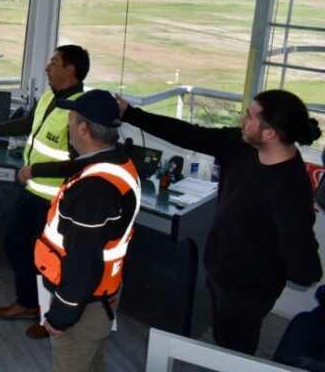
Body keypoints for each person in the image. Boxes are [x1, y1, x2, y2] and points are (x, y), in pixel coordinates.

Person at [118, 89, 322, 355]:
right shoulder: (242, 146)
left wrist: (263, 264)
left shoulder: (290, 189)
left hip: (246, 293)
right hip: (219, 272)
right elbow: (189, 134)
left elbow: (305, 270)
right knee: (223, 339)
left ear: (270, 132)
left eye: (249, 116)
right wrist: (130, 114)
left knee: (234, 354)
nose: (242, 120)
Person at [0, 44, 90, 339]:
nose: (48, 67)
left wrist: (33, 170)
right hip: (32, 192)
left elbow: (78, 164)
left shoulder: (81, 110)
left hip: (57, 200)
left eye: (54, 62)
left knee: (49, 261)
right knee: (14, 244)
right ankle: (27, 303)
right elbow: (27, 123)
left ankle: (50, 317)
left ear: (70, 69)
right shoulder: (50, 97)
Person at [34, 89, 140, 372]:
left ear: (83, 128)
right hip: (101, 297)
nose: (68, 125)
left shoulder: (93, 189)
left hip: (82, 307)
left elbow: (83, 262)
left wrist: (59, 317)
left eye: (70, 119)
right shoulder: (118, 163)